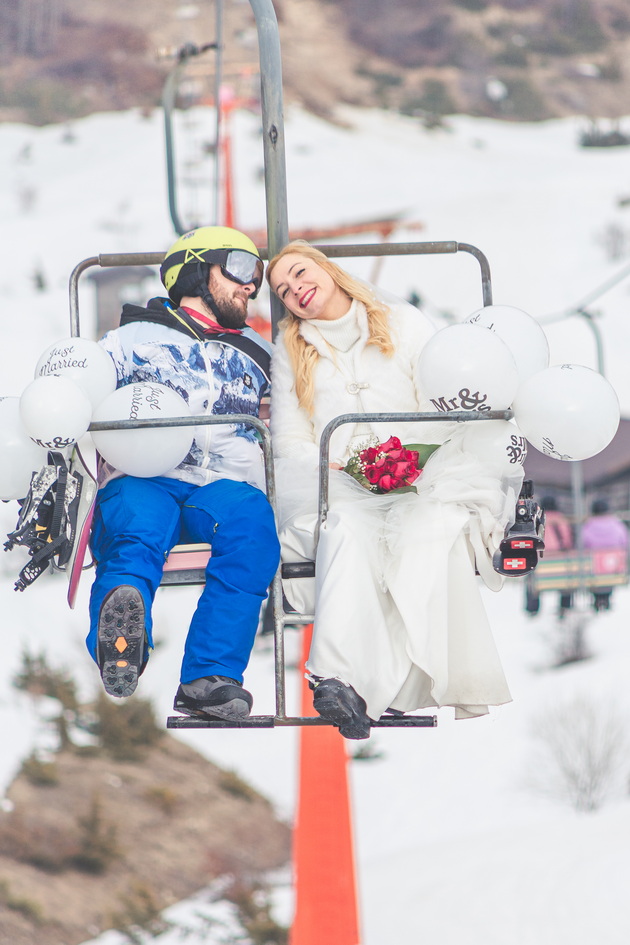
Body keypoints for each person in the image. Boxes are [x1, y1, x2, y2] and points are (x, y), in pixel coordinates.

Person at [267, 240, 523, 739]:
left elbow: (437, 398)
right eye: (283, 290)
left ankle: (404, 687)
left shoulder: (402, 322)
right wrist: (336, 463)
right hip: (341, 479)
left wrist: (404, 458)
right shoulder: (290, 350)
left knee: (427, 530)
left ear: (325, 268)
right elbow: (289, 438)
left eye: (300, 273)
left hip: (422, 470)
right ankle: (336, 676)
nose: (296, 289)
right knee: (346, 531)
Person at [87, 226, 281, 721]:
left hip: (220, 485)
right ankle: (121, 639)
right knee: (136, 528)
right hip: (143, 473)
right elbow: (79, 391)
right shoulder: (130, 340)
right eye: (239, 269)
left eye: (256, 274)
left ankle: (208, 677)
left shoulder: (257, 354)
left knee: (253, 528)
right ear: (196, 270)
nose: (250, 285)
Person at [525, 495, 574, 615]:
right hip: (560, 565)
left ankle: (532, 608)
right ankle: (565, 605)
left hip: (540, 563)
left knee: (531, 578)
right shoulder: (562, 520)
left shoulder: (537, 520)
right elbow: (568, 542)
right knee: (568, 577)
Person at [581, 498, 629, 611]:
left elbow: (582, 544)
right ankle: (606, 598)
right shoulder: (616, 524)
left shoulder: (588, 525)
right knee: (609, 567)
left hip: (594, 568)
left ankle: (598, 599)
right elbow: (625, 541)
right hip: (612, 566)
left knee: (594, 568)